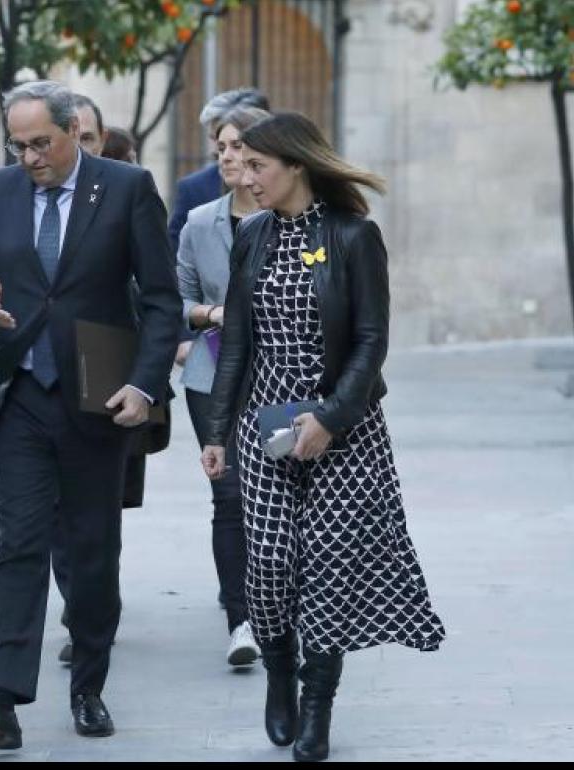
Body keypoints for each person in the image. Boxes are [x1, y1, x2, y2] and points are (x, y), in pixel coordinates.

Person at [201, 112, 445, 762]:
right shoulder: (251, 236)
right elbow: (236, 344)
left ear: (297, 166)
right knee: (269, 564)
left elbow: (370, 340)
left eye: (258, 166)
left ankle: (316, 708)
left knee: (330, 570)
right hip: (268, 429)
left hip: (345, 432)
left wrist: (331, 417)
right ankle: (279, 670)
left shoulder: (353, 236)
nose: (246, 178)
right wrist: (218, 430)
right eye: (242, 166)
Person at [0, 81, 182, 747]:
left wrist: (145, 385)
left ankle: (88, 687)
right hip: (20, 394)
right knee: (18, 542)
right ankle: (2, 699)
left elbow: (161, 300)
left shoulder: (127, 188)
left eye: (41, 144)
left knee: (91, 550)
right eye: (17, 146)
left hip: (98, 397)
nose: (30, 158)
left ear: (74, 131)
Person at [176, 105, 271, 669]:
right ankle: (241, 620)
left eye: (240, 146)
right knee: (229, 496)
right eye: (222, 147)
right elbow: (177, 299)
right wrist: (211, 314)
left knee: (280, 495)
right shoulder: (198, 222)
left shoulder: (294, 220)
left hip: (282, 377)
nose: (229, 157)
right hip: (212, 376)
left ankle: (281, 606)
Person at [167, 88, 270, 253]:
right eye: (219, 142)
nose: (223, 154)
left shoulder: (292, 207)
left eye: (236, 144)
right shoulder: (194, 191)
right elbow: (174, 255)